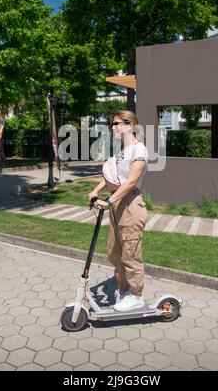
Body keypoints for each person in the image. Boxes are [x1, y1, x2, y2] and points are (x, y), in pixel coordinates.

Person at [87, 110, 148, 312]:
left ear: (129, 125)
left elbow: (130, 181)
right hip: (117, 204)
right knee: (115, 252)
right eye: (111, 124)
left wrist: (109, 201)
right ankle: (123, 290)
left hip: (130, 204)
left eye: (116, 124)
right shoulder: (121, 151)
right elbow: (111, 177)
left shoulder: (139, 149)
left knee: (130, 253)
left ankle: (137, 295)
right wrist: (95, 191)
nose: (112, 127)